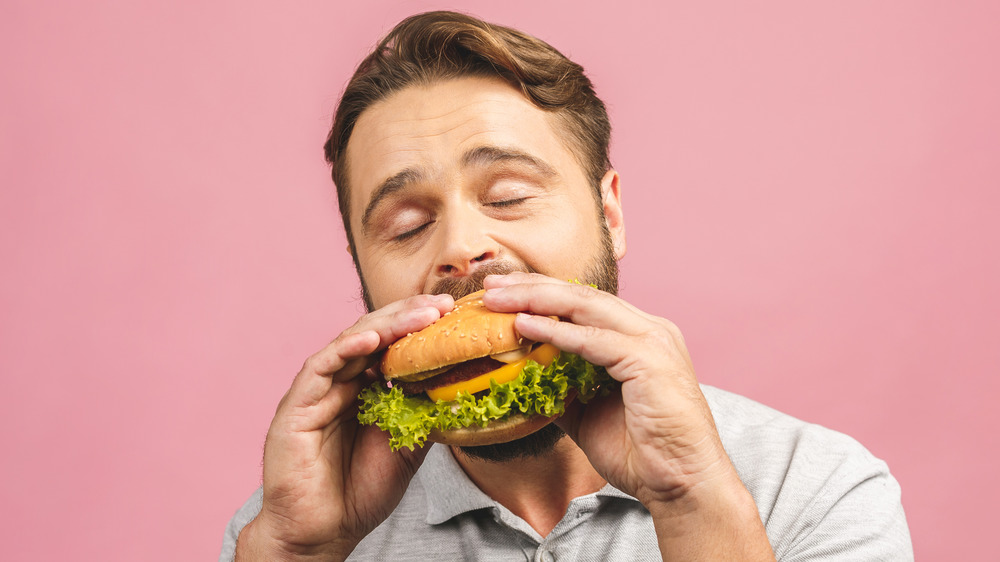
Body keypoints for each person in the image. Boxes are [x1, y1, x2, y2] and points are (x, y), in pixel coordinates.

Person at [221, 11, 912, 561]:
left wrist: (694, 501)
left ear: (610, 216)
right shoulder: (290, 522)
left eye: (512, 195)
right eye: (406, 226)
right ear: (360, 265)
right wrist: (294, 553)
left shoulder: (815, 487)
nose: (462, 247)